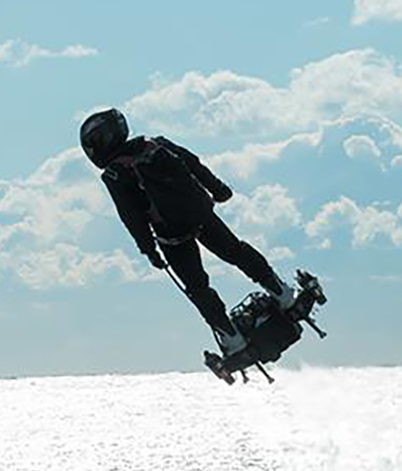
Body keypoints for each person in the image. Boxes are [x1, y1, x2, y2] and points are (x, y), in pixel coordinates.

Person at [79, 108, 295, 354]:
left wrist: (148, 250)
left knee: (198, 288)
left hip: (171, 236)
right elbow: (193, 163)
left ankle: (231, 337)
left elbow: (131, 217)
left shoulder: (114, 174)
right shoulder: (156, 144)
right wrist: (219, 189)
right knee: (236, 251)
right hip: (202, 214)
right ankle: (281, 292)